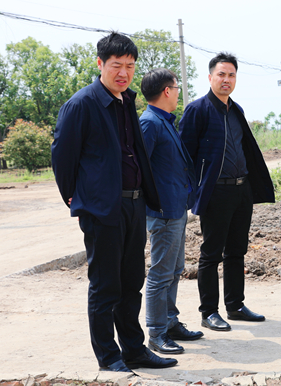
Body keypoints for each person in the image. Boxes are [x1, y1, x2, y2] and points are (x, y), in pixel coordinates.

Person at [51, 32, 177, 372]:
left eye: (130, 66)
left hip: (133, 205)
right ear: (100, 64)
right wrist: (76, 197)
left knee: (131, 282)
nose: (123, 73)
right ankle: (108, 357)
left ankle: (134, 350)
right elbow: (62, 157)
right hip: (102, 209)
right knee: (106, 286)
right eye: (116, 65)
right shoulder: (81, 104)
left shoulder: (126, 101)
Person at [179, 52, 274, 331]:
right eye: (221, 74)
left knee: (236, 251)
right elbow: (185, 156)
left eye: (231, 75)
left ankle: (235, 306)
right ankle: (209, 312)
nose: (226, 79)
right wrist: (193, 192)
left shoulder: (236, 110)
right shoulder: (197, 110)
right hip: (215, 193)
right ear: (210, 77)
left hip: (241, 191)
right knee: (211, 254)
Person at [139, 68, 204, 355]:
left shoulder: (164, 120)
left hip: (176, 207)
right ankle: (156, 333)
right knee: (161, 274)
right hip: (163, 211)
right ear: (167, 91)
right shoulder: (149, 123)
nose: (178, 93)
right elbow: (140, 169)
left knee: (175, 270)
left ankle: (170, 322)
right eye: (177, 88)